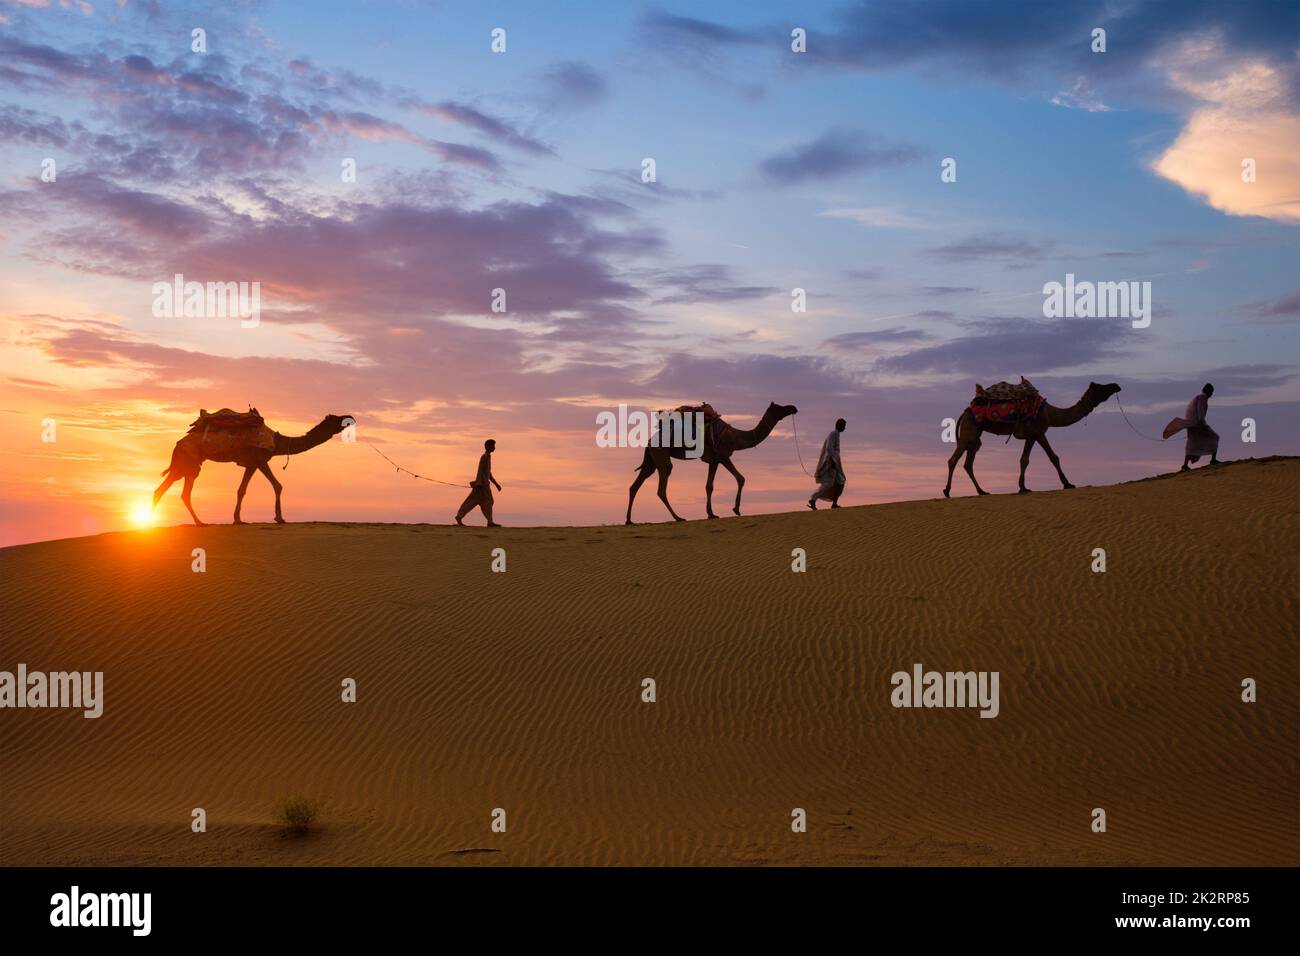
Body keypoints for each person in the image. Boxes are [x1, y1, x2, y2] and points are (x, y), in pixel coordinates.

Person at [1163, 384, 1220, 470]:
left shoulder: (1199, 397)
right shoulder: (1202, 398)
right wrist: (1203, 424)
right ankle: (1213, 460)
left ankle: (1185, 465)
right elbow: (1200, 412)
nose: (1211, 394)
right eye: (1211, 392)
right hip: (1196, 424)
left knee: (1192, 443)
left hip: (1192, 424)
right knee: (1215, 437)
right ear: (1208, 391)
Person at [455, 439, 502, 526]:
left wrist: (496, 484)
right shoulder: (484, 457)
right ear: (488, 447)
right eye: (493, 446)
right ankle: (489, 522)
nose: (494, 447)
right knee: (483, 501)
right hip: (482, 485)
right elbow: (481, 471)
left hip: (482, 484)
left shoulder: (487, 457)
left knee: (474, 501)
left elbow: (488, 473)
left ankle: (460, 516)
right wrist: (480, 483)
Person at [808, 418, 846, 510]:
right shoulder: (833, 434)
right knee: (828, 483)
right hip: (830, 463)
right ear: (839, 425)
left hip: (835, 463)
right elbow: (829, 448)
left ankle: (834, 504)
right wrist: (833, 461)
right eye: (844, 426)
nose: (844, 428)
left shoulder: (836, 435)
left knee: (840, 481)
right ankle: (813, 498)